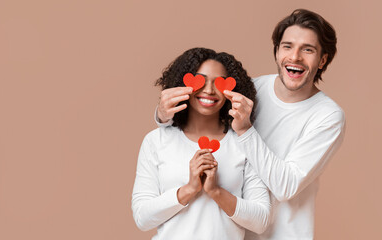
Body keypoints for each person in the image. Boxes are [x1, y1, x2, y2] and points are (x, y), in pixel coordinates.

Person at [155, 9, 345, 240]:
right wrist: (163, 115)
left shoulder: (328, 116)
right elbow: (200, 123)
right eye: (287, 46)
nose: (295, 57)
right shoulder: (254, 89)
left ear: (322, 60)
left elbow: (285, 186)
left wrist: (245, 129)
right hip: (232, 232)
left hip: (283, 234)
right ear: (276, 52)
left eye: (308, 49)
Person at [132, 48, 271, 239]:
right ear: (182, 84)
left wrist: (215, 191)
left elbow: (261, 221)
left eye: (219, 83)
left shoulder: (244, 143)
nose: (209, 90)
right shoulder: (156, 141)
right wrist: (189, 189)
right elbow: (142, 218)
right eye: (201, 80)